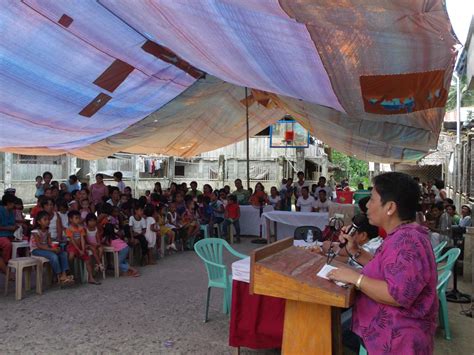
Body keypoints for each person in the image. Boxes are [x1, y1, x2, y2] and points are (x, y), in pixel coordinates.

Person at [327, 172, 438, 354]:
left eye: (372, 199)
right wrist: (355, 250)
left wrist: (356, 279)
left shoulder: (407, 242)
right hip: (388, 332)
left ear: (390, 207)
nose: (367, 206)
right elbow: (390, 270)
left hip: (397, 340)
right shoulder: (401, 235)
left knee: (333, 330)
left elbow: (397, 294)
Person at [30, 211, 72, 285]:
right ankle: (58, 275)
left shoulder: (47, 230)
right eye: (45, 219)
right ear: (39, 222)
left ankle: (64, 274)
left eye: (48, 219)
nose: (48, 221)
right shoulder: (35, 231)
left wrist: (55, 247)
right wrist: (51, 249)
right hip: (36, 250)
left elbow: (49, 242)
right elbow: (39, 245)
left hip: (46, 248)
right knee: (53, 256)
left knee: (63, 254)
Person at [65, 210, 100, 285]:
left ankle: (91, 278)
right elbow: (72, 241)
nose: (78, 220)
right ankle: (70, 272)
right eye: (76, 218)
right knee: (70, 256)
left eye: (79, 218)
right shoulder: (69, 229)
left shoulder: (81, 228)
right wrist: (79, 250)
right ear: (71, 219)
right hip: (73, 247)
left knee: (88, 260)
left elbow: (82, 239)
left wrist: (83, 249)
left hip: (81, 247)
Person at [0, 194, 17, 275]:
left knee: (23, 240)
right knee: (7, 244)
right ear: (8, 203)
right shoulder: (0, 211)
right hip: (1, 235)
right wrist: (9, 228)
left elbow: (13, 223)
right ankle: (5, 263)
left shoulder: (12, 212)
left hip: (9, 234)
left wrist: (15, 227)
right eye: (13, 203)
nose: (14, 205)